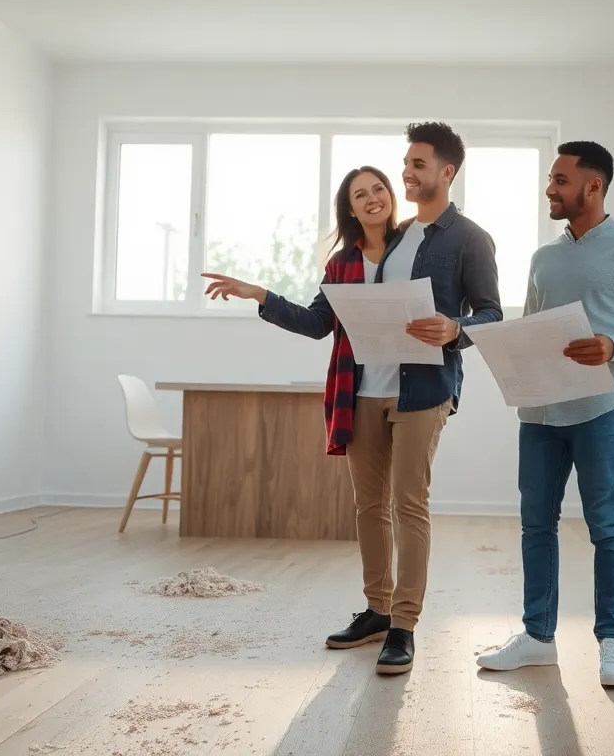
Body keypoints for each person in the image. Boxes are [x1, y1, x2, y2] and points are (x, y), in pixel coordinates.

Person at [201, 122, 501, 676]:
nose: (397, 181)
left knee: (409, 505)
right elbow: (322, 322)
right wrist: (260, 294)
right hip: (360, 393)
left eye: (409, 170)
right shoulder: (388, 244)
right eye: (398, 169)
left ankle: (405, 625)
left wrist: (454, 329)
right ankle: (377, 611)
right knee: (368, 507)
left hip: (423, 391)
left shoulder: (466, 238)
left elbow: (491, 315)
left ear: (445, 172)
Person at [475, 140, 614, 688]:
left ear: (594, 185)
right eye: (550, 179)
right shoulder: (543, 258)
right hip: (539, 416)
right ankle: (538, 638)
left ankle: (613, 642)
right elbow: (533, 334)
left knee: (605, 526)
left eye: (560, 181)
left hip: (600, 412)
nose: (549, 189)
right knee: (535, 525)